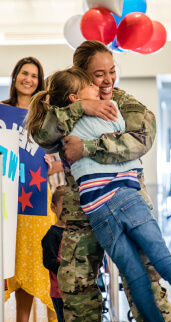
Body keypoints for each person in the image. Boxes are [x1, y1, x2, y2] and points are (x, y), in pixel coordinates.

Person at [25, 40, 171, 321]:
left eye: (111, 71)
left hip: (127, 203)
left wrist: (87, 147)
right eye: (98, 74)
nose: (108, 79)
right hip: (83, 212)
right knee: (76, 291)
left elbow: (141, 140)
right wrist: (81, 107)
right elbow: (42, 135)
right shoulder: (64, 104)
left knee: (144, 282)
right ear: (82, 73)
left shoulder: (125, 103)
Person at [1, 57, 58, 322]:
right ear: (14, 78)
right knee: (12, 266)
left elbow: (67, 157)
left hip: (36, 204)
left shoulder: (47, 116)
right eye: (24, 73)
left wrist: (52, 166)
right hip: (5, 207)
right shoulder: (1, 112)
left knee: (37, 268)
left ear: (40, 82)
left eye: (35, 75)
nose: (29, 79)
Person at [42, 185, 66, 322]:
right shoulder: (52, 234)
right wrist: (67, 270)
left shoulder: (75, 231)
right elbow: (48, 261)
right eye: (64, 206)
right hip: (60, 293)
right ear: (53, 208)